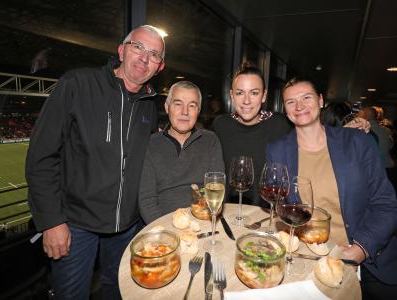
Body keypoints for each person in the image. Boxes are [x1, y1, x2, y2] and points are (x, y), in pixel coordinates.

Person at [25, 25, 165, 299]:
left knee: (120, 292)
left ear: (160, 66)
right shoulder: (77, 84)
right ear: (122, 50)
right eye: (138, 47)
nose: (144, 58)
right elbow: (41, 156)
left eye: (154, 54)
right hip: (75, 226)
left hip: (127, 228)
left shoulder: (149, 103)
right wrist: (51, 221)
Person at [266, 77, 397, 299]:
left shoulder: (357, 142)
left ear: (320, 100)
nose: (299, 106)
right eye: (291, 102)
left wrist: (359, 250)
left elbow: (386, 205)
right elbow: (281, 206)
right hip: (311, 259)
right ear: (285, 110)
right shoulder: (277, 150)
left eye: (306, 98)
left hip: (370, 258)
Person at [139, 81, 224, 223]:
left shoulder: (210, 140)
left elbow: (217, 190)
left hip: (203, 220)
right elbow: (147, 200)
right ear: (167, 107)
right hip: (163, 224)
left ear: (198, 110)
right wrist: (166, 231)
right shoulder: (151, 143)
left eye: (192, 105)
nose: (185, 112)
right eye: (178, 104)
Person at [213, 62, 293, 206]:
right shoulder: (221, 125)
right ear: (232, 95)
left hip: (267, 214)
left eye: (254, 93)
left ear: (264, 96)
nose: (246, 101)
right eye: (240, 93)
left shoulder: (281, 125)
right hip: (229, 211)